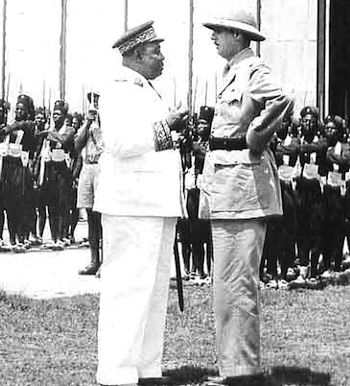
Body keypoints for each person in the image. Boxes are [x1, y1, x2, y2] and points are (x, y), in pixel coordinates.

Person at [198, 7, 293, 385]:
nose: (214, 37)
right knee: (225, 282)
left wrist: (257, 135)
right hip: (226, 184)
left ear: (239, 36)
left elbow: (282, 99)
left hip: (243, 185)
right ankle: (233, 367)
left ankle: (242, 372)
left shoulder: (253, 70)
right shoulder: (231, 70)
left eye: (220, 31)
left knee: (237, 282)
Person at [94, 21, 188, 386]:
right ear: (135, 55)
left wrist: (170, 129)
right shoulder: (118, 90)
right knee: (127, 289)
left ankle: (146, 368)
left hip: (155, 204)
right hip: (131, 205)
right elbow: (118, 143)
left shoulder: (147, 90)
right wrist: (166, 126)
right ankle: (117, 373)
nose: (161, 59)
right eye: (155, 52)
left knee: (151, 291)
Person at [75, 94, 103, 276]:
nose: (95, 105)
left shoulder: (110, 122)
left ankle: (106, 262)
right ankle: (94, 260)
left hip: (103, 167)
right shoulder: (88, 123)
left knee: (104, 218)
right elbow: (77, 145)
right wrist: (87, 122)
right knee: (91, 217)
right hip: (88, 167)